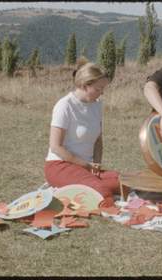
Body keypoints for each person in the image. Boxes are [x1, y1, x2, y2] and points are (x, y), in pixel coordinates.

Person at [44, 59, 120, 198]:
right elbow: (56, 147)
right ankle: (91, 185)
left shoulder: (96, 106)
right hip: (60, 165)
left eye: (103, 88)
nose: (102, 93)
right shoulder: (65, 105)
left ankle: (90, 183)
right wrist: (85, 165)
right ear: (85, 86)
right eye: (98, 89)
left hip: (86, 168)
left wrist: (96, 165)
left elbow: (98, 140)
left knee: (123, 181)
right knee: (101, 192)